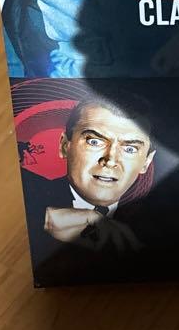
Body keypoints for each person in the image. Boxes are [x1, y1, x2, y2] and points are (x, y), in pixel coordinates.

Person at [22, 93, 156, 256]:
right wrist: (42, 218)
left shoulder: (160, 225)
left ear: (146, 162)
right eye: (94, 141)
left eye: (130, 149)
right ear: (64, 146)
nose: (110, 160)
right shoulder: (26, 193)